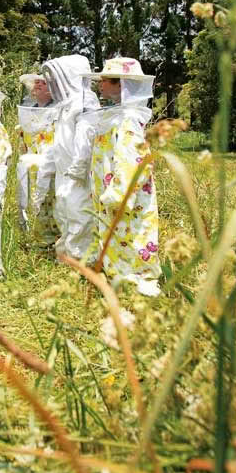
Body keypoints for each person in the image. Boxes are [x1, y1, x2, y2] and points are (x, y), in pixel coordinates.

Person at [87, 57, 161, 296]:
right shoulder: (115, 116)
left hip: (125, 195)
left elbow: (133, 160)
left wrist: (120, 192)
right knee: (114, 232)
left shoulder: (128, 120)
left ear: (121, 84)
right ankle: (117, 274)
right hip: (110, 192)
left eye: (106, 80)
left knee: (133, 232)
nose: (100, 84)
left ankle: (140, 276)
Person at [32, 55, 99, 259]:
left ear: (69, 76)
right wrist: (47, 169)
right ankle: (68, 256)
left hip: (79, 176)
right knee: (64, 212)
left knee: (80, 215)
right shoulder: (65, 105)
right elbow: (58, 142)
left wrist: (78, 169)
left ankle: (84, 262)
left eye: (56, 77)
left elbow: (85, 139)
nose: (53, 82)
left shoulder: (85, 102)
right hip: (65, 172)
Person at [16, 73, 59, 247]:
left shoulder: (58, 110)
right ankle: (37, 239)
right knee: (28, 199)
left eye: (44, 83)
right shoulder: (30, 109)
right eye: (37, 82)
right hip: (29, 164)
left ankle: (54, 241)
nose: (38, 85)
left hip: (49, 164)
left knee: (51, 200)